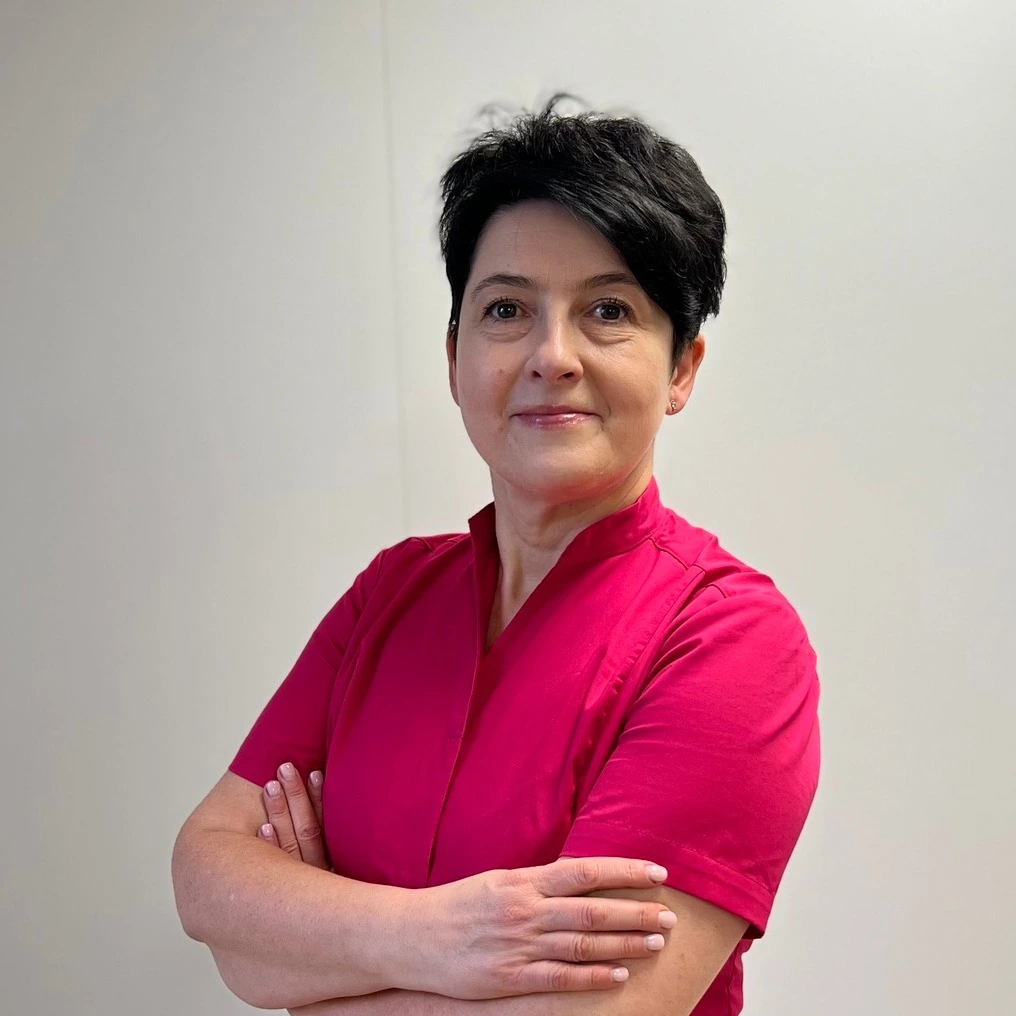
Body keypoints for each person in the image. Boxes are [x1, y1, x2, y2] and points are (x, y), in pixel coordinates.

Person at [171, 95, 821, 1016]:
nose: (552, 355)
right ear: (453, 359)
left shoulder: (731, 644)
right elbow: (207, 872)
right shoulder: (390, 594)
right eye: (508, 308)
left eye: (607, 310)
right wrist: (439, 936)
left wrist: (302, 964)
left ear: (682, 368)